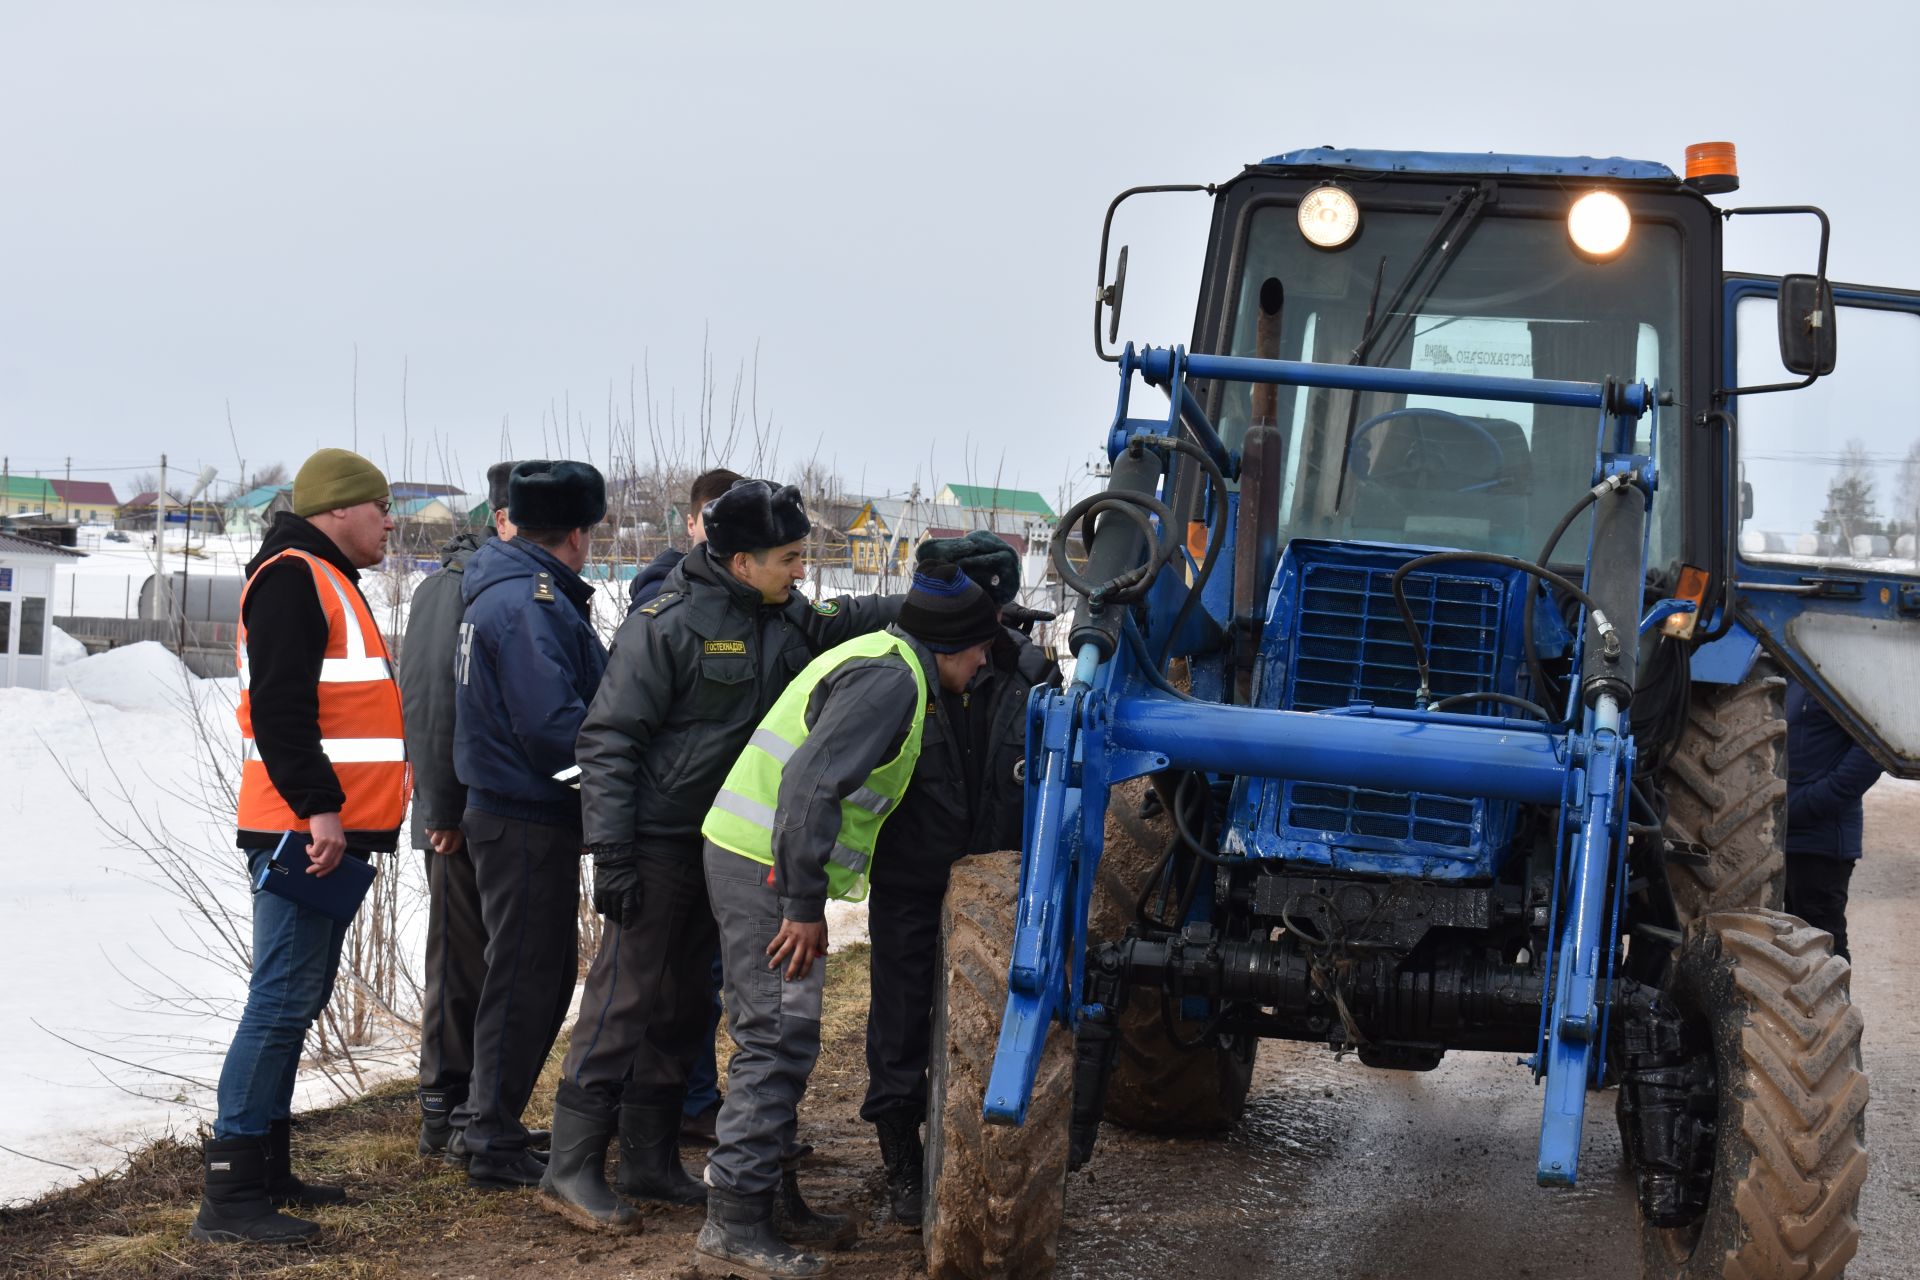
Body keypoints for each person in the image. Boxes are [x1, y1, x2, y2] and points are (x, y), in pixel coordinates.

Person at [542, 479, 899, 1236]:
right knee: (624, 997)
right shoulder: (665, 624)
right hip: (657, 842)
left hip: (726, 845)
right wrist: (611, 854)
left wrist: (938, 598)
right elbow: (608, 740)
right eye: (790, 558)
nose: (802, 571)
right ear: (742, 561)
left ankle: (648, 1156)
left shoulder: (786, 615)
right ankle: (569, 1168)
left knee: (688, 1005)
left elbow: (852, 617)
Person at [695, 564, 1003, 1279]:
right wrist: (802, 906)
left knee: (785, 1033)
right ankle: (734, 1222)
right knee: (774, 1037)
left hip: (760, 860)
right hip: (764, 868)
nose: (985, 660)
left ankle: (771, 1201)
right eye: (980, 648)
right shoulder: (892, 680)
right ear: (952, 644)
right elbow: (808, 786)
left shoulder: (892, 662)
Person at [191, 449, 406, 1245]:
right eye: (380, 506)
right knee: (280, 1000)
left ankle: (267, 1171)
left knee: (298, 998)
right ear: (338, 509)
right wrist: (319, 810)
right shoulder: (293, 578)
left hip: (326, 831)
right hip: (302, 831)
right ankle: (231, 1195)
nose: (391, 522)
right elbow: (281, 712)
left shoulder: (323, 576)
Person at [861, 532, 1059, 1226]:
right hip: (911, 876)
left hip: (1001, 885)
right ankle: (899, 1165)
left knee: (995, 1022)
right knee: (900, 1019)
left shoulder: (1035, 681)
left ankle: (989, 1159)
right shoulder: (900, 670)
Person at [449, 461, 610, 1190]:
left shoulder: (510, 590)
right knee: (525, 980)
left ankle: (495, 1124)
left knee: (531, 978)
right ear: (578, 533)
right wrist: (611, 792)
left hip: (513, 812)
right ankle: (490, 1138)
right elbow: (553, 729)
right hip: (522, 817)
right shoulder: (529, 603)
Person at [400, 460, 522, 1158]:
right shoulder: (454, 586)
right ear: (501, 519)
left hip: (501, 804)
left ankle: (477, 1107)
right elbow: (430, 699)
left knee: (497, 960)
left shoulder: (507, 582)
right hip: (461, 810)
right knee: (459, 959)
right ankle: (442, 1108)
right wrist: (440, 811)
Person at [627, 464, 742, 1145]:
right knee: (677, 977)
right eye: (718, 520)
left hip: (719, 813)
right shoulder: (664, 593)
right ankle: (683, 1103)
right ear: (694, 521)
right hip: (677, 817)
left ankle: (693, 1100)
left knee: (703, 975)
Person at [1784, 681, 1883, 961]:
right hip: (1784, 836)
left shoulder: (1848, 682)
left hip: (1822, 841)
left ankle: (1834, 1006)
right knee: (1787, 949)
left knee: (1822, 947)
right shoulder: (1796, 678)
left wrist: (1806, 805)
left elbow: (1870, 754)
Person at [629, 466, 742, 614]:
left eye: (738, 522)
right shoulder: (659, 596)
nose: (726, 533)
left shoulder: (759, 590)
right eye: (715, 522)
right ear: (691, 525)